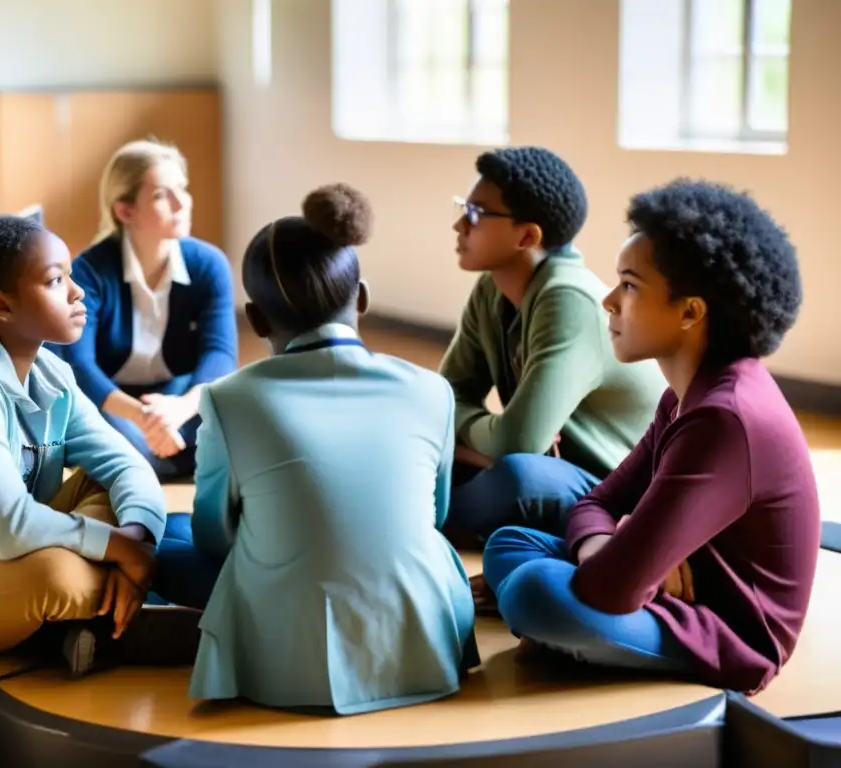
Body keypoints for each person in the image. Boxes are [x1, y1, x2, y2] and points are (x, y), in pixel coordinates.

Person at [482, 179, 819, 695]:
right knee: (511, 542)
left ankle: (565, 633)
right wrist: (610, 542)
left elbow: (611, 588)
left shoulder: (725, 418)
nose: (609, 301)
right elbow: (598, 502)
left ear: (690, 311)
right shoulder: (684, 394)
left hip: (725, 634)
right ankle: (572, 636)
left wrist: (620, 558)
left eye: (630, 285)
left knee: (532, 589)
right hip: (663, 590)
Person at [186, 183, 478, 715]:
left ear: (255, 319)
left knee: (169, 540)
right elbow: (435, 514)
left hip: (288, 665)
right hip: (424, 641)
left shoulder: (231, 399)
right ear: (362, 297)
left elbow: (212, 533)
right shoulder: (432, 389)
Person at [0, 216, 205, 676]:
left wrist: (133, 541)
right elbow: (10, 527)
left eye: (70, 276)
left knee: (118, 495)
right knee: (58, 577)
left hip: (16, 549)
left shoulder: (52, 372)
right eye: (55, 281)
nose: (77, 292)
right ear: (3, 307)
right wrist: (122, 551)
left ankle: (87, 623)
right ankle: (128, 610)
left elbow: (126, 465)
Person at [440, 146, 666, 547]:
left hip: (611, 493)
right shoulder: (491, 288)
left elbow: (516, 444)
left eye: (475, 213)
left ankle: (432, 513)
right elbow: (445, 397)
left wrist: (471, 442)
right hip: (545, 467)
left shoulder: (569, 299)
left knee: (517, 478)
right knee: (421, 451)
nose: (459, 225)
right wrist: (482, 446)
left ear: (527, 235)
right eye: (463, 207)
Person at [49, 139, 237, 482]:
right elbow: (79, 367)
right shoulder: (90, 271)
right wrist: (143, 417)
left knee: (240, 419)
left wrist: (177, 411)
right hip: (110, 401)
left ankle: (156, 459)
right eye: (162, 194)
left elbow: (220, 356)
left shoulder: (209, 265)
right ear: (125, 211)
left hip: (176, 400)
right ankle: (168, 460)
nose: (182, 203)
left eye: (183, 188)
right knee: (112, 438)